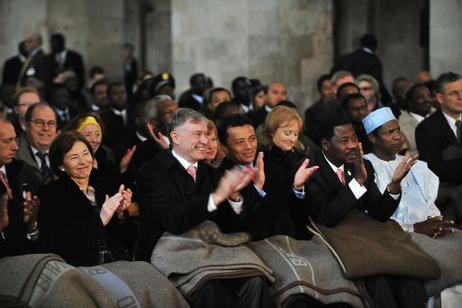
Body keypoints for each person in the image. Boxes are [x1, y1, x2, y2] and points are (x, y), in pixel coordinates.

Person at [136, 108, 272, 308]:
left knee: (254, 279)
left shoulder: (210, 172)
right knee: (209, 285)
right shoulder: (152, 171)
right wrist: (216, 197)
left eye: (206, 135)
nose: (205, 141)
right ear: (175, 137)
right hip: (169, 250)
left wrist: (234, 197)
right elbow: (172, 220)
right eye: (197, 135)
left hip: (210, 249)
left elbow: (228, 227)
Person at [306, 114, 427, 308]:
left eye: (354, 138)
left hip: (365, 232)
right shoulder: (310, 168)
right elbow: (326, 217)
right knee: (380, 280)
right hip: (334, 236)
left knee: (408, 275)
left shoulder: (361, 165)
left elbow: (378, 212)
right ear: (326, 144)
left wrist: (394, 185)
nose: (353, 145)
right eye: (344, 141)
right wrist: (358, 182)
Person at [38, 131, 135, 266]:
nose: (83, 161)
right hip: (81, 270)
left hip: (118, 261)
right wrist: (101, 220)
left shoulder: (103, 182)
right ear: (61, 166)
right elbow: (65, 244)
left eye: (85, 154)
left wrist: (120, 214)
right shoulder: (52, 195)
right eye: (74, 157)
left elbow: (128, 238)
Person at [416, 72, 462, 226]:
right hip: (447, 196)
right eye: (454, 93)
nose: (460, 97)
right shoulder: (427, 128)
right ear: (440, 98)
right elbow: (434, 168)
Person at [0, 117, 40, 256]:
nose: (15, 147)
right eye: (7, 141)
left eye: (14, 139)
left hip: (23, 261)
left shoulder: (23, 172)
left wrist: (31, 222)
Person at [16, 103, 58, 190]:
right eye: (39, 123)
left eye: (51, 123)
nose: (46, 128)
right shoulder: (13, 153)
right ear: (27, 126)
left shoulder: (65, 153)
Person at [399, 84, 433, 155]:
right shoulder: (400, 126)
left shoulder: (442, 115)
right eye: (420, 97)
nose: (427, 100)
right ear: (410, 102)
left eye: (429, 96)